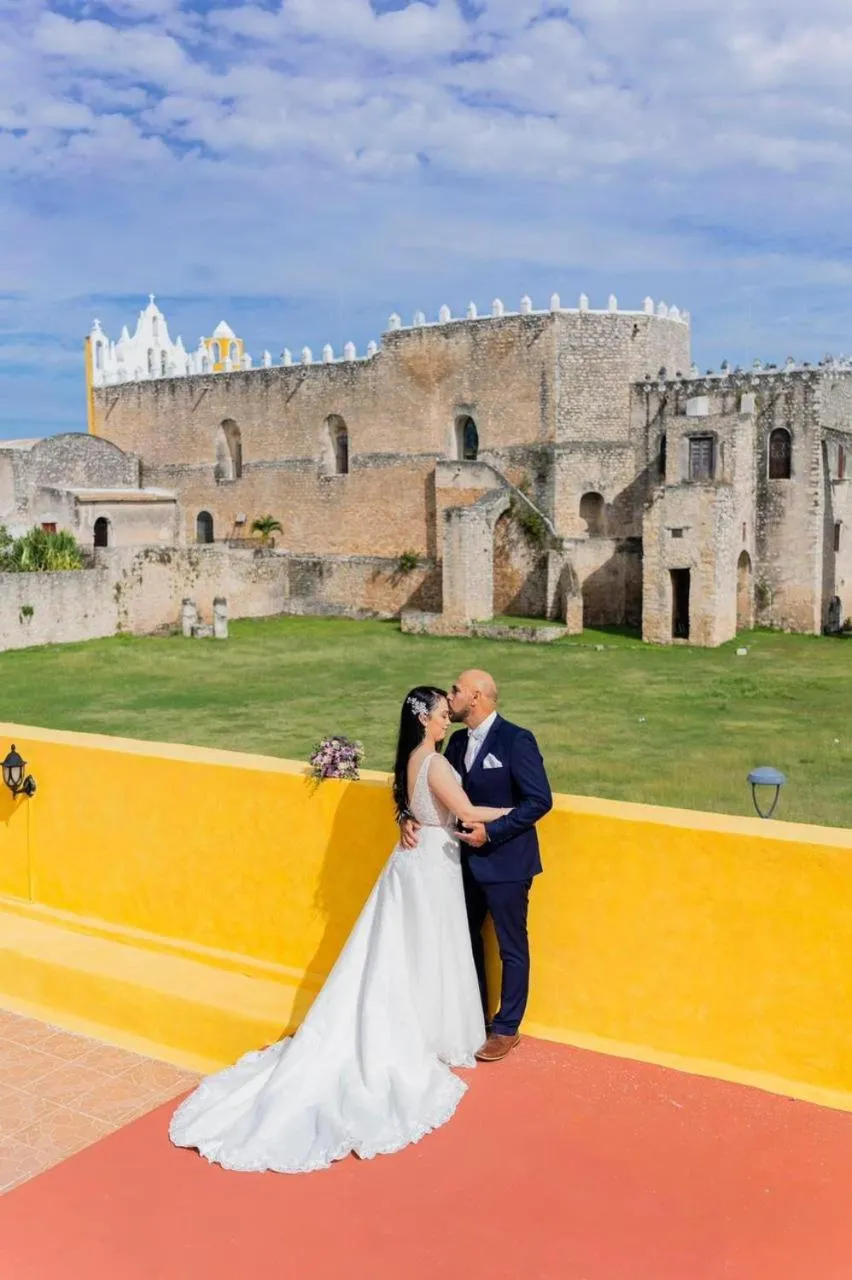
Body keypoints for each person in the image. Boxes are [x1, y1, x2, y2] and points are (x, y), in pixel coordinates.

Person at [168, 686, 511, 1174]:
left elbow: (413, 804)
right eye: (439, 714)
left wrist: (406, 817)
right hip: (431, 867)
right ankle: (422, 1035)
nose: (445, 720)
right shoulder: (433, 762)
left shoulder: (413, 759)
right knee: (426, 951)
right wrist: (520, 813)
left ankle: (424, 1029)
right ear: (425, 720)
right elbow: (470, 812)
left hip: (416, 865)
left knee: (409, 953)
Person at [400, 670, 552, 1062]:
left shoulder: (517, 740)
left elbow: (539, 801)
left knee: (511, 946)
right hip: (457, 865)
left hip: (506, 863)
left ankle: (506, 1028)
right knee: (464, 942)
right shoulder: (454, 743)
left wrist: (493, 832)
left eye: (456, 690)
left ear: (478, 696)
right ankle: (474, 1018)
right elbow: (430, 789)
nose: (450, 696)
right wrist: (406, 814)